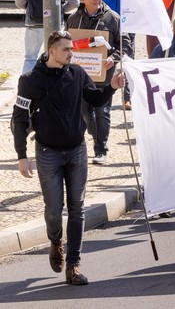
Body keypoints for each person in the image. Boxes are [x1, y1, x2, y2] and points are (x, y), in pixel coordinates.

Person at [13, 30, 125, 285]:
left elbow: (95, 99)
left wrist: (112, 87)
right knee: (54, 209)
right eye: (66, 49)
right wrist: (21, 155)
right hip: (47, 152)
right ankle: (55, 242)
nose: (71, 53)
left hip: (76, 150)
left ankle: (73, 265)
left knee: (77, 208)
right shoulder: (30, 80)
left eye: (72, 49)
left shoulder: (76, 73)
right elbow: (19, 120)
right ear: (52, 50)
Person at [67, 0, 129, 165]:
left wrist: (114, 58)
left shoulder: (113, 18)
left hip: (104, 75)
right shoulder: (73, 19)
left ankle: (101, 149)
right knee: (86, 113)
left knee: (102, 111)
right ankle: (96, 137)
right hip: (82, 76)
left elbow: (125, 44)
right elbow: (66, 42)